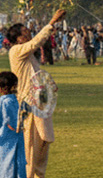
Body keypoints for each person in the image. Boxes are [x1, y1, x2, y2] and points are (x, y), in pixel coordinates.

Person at [7, 9, 66, 178]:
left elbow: (35, 73)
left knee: (43, 143)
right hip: (29, 105)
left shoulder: (28, 55)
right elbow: (36, 43)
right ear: (18, 39)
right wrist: (52, 21)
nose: (29, 34)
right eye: (25, 33)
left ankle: (39, 175)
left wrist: (48, 85)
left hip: (39, 103)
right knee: (31, 147)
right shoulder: (16, 51)